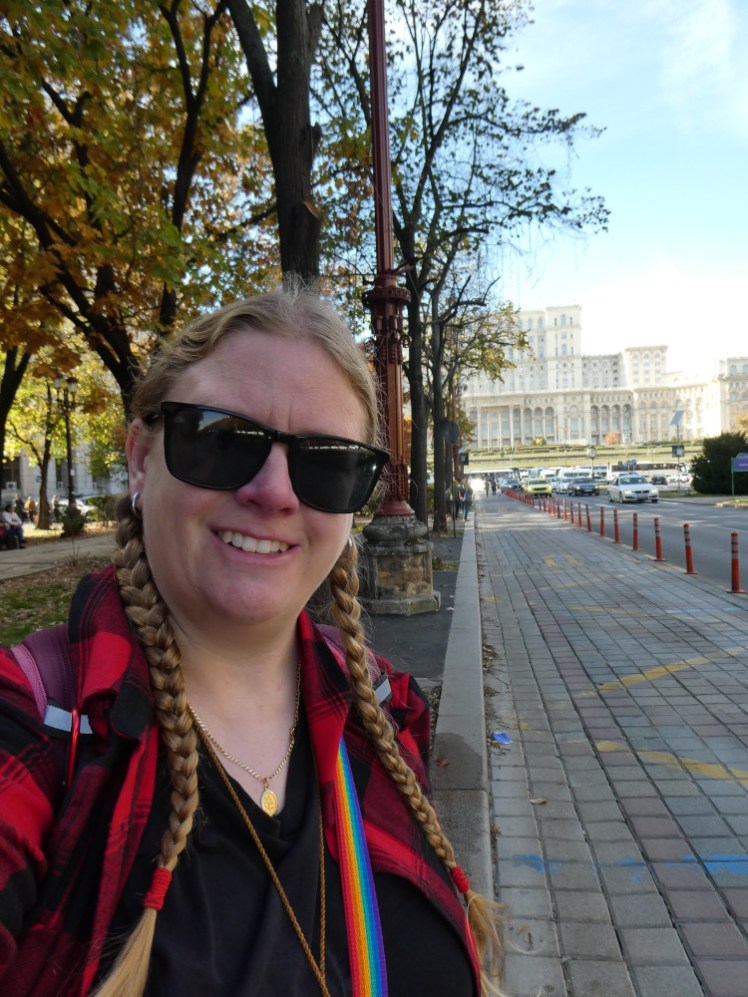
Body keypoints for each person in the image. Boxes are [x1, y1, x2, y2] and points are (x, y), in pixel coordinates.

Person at [0, 287, 502, 997]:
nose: (274, 491)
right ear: (141, 459)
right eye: (222, 439)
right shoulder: (41, 727)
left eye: (326, 462)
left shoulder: (383, 712)